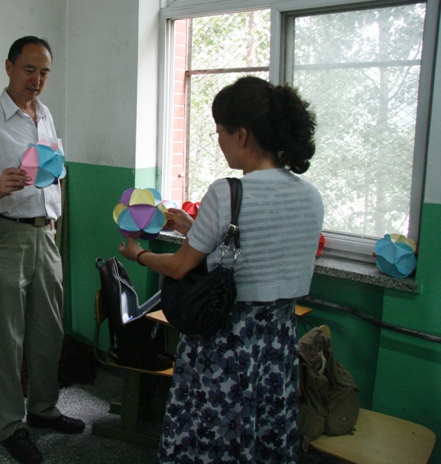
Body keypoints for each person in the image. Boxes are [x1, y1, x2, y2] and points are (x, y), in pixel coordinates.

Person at [119, 76, 324, 463]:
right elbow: (256, 250)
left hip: (226, 340)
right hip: (277, 342)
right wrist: (194, 228)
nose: (219, 140)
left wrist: (139, 255)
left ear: (241, 135)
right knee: (264, 429)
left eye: (219, 132)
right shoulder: (310, 196)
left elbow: (179, 267)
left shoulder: (227, 192)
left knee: (212, 431)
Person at [0, 36, 84, 464]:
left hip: (44, 235)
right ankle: (10, 427)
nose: (37, 80)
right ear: (9, 66)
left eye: (44, 72)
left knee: (49, 330)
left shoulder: (44, 116)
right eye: (29, 70)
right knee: (7, 337)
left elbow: (53, 174)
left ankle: (44, 410)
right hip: (2, 236)